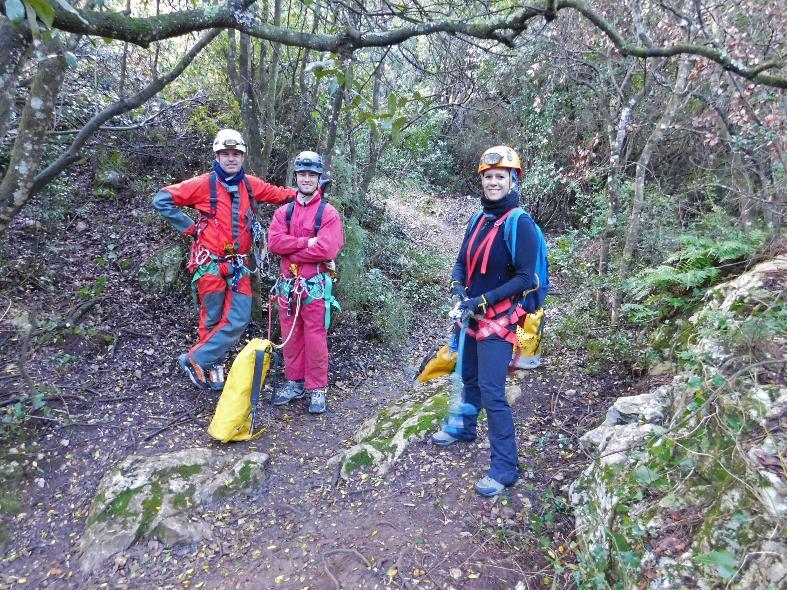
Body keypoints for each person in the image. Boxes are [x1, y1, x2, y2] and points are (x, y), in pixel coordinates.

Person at [432, 145, 539, 497]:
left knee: (493, 392)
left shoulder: (520, 223)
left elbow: (526, 278)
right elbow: (462, 262)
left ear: (513, 180)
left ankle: (505, 468)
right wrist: (458, 288)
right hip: (472, 314)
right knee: (469, 378)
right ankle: (464, 428)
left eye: (500, 177)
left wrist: (484, 299)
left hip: (500, 320)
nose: (494, 182)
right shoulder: (478, 220)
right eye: (489, 177)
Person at [153, 129, 296, 390]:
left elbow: (278, 193)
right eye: (225, 154)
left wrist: (306, 192)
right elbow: (163, 199)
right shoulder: (202, 185)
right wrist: (191, 228)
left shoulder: (250, 185)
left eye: (236, 154)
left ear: (242, 156)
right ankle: (209, 367)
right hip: (209, 263)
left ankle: (195, 359)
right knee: (211, 318)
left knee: (239, 317)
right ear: (217, 156)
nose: (231, 159)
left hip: (239, 265)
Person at [267, 151, 344, 414]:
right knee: (290, 336)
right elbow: (274, 243)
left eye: (312, 175)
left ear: (319, 178)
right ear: (296, 177)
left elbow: (327, 249)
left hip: (314, 287)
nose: (307, 179)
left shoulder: (329, 213)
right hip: (289, 286)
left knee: (315, 338)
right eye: (303, 174)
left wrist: (290, 250)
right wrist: (304, 243)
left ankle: (317, 388)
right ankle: (294, 382)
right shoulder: (284, 212)